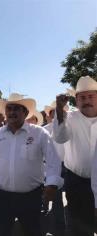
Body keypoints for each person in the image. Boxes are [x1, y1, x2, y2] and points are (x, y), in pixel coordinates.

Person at [0, 93, 63, 236]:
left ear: (25, 113)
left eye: (17, 108)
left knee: (33, 231)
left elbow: (53, 160)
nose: (12, 112)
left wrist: (52, 184)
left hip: (31, 198)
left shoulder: (39, 133)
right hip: (2, 197)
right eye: (9, 108)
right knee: (1, 231)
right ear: (5, 112)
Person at [54, 76, 97, 236]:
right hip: (77, 182)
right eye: (82, 97)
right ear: (76, 101)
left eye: (91, 96)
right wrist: (59, 110)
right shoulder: (69, 117)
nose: (86, 101)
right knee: (79, 228)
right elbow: (60, 137)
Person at [43, 101, 68, 231]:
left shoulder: (69, 127)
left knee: (72, 196)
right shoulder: (44, 130)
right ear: (49, 116)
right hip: (51, 166)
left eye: (60, 113)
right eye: (54, 113)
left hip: (68, 166)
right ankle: (57, 223)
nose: (57, 116)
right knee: (54, 196)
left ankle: (64, 223)